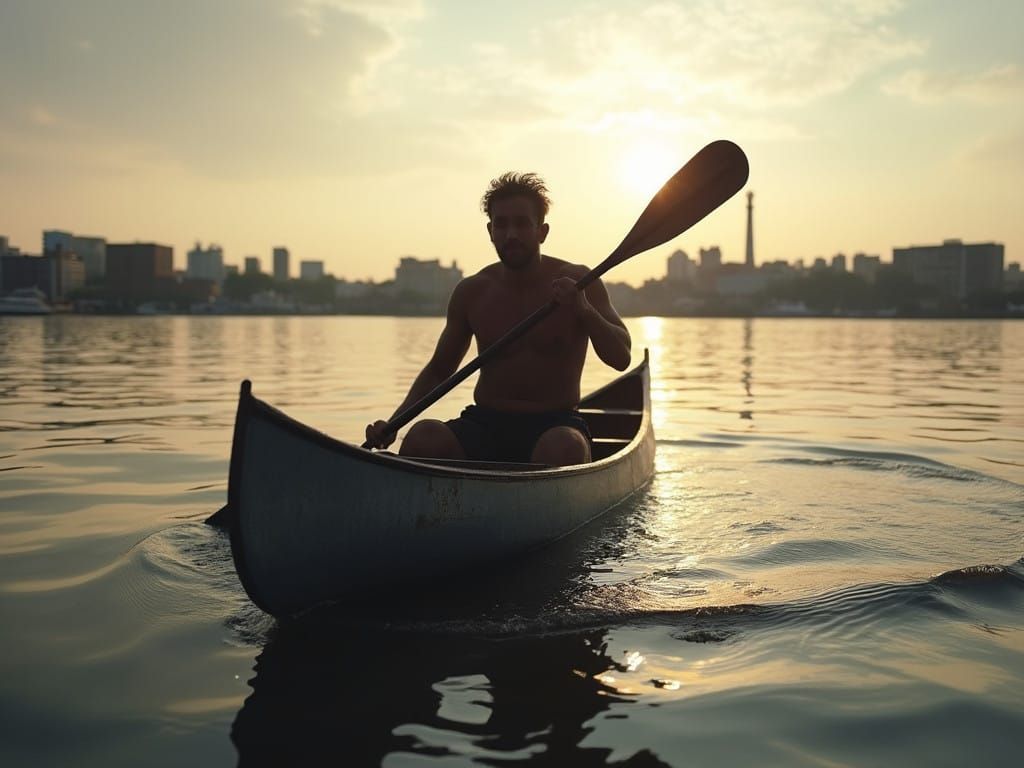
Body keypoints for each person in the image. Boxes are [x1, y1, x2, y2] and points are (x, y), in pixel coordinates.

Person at [364, 172, 631, 466]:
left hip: (555, 423)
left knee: (564, 447)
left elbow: (621, 358)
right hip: (485, 423)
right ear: (490, 231)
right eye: (501, 224)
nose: (511, 234)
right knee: (422, 437)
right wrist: (393, 424)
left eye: (521, 223)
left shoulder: (581, 281)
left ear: (542, 232)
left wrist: (583, 309)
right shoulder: (472, 291)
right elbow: (439, 370)